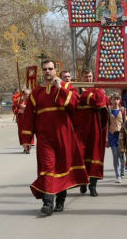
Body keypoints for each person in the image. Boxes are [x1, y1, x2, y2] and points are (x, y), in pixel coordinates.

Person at [20, 59, 88, 216]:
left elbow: (74, 105)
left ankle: (61, 200)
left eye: (50, 69)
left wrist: (60, 87)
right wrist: (26, 139)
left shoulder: (66, 87)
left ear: (56, 70)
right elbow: (29, 116)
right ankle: (47, 203)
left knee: (62, 167)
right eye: (45, 69)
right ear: (41, 71)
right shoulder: (36, 92)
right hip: (44, 138)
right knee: (47, 167)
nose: (47, 71)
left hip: (64, 135)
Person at [74, 69, 108, 196]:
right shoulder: (75, 89)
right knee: (80, 156)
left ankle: (93, 186)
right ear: (81, 77)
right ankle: (82, 182)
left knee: (94, 155)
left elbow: (98, 102)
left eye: (90, 76)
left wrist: (85, 94)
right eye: (85, 77)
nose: (88, 79)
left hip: (94, 129)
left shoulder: (98, 90)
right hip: (79, 130)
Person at [107, 93, 126, 183]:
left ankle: (122, 171)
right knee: (115, 156)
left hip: (121, 136)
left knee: (121, 156)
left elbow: (125, 124)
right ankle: (117, 175)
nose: (115, 101)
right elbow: (107, 125)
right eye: (114, 99)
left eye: (117, 99)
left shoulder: (123, 110)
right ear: (111, 100)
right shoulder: (108, 110)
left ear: (119, 100)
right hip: (112, 135)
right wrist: (106, 139)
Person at [14, 89, 34, 154]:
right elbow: (14, 108)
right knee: (21, 133)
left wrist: (25, 107)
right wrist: (18, 111)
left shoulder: (32, 100)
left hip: (29, 119)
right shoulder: (18, 101)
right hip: (21, 119)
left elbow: (34, 108)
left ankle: (28, 147)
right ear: (23, 94)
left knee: (28, 133)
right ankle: (25, 147)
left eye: (28, 94)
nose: (27, 96)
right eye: (26, 94)